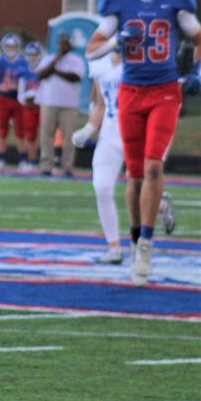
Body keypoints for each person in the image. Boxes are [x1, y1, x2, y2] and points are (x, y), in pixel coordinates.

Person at [85, 0, 200, 285]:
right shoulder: (117, 4)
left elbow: (198, 38)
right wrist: (117, 41)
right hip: (131, 94)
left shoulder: (177, 1)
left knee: (153, 166)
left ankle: (147, 244)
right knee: (134, 176)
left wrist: (196, 73)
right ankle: (137, 242)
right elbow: (92, 50)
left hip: (165, 91)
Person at [72, 52, 126, 263]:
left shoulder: (142, 59)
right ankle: (114, 247)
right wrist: (88, 129)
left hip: (136, 131)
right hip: (110, 132)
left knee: (140, 188)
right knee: (102, 186)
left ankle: (158, 202)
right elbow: (103, 104)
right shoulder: (100, 62)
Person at [35, 34, 86, 176]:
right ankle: (46, 165)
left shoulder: (77, 60)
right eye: (61, 43)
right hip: (49, 102)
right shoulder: (49, 59)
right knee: (46, 135)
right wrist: (56, 60)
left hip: (69, 104)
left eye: (66, 44)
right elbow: (41, 74)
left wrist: (56, 71)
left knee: (69, 136)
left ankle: (68, 166)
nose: (63, 46)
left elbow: (75, 77)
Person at [0, 34, 29, 170]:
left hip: (18, 99)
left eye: (13, 46)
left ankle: (23, 160)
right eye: (8, 46)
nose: (10, 48)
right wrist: (1, 87)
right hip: (3, 98)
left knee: (21, 131)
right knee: (2, 130)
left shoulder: (23, 61)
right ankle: (0, 159)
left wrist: (17, 87)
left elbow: (28, 82)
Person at [16, 42, 43, 172]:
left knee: (45, 135)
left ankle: (45, 161)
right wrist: (26, 101)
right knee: (30, 135)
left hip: (42, 107)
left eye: (35, 55)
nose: (32, 57)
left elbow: (46, 89)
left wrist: (38, 99)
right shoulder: (23, 71)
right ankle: (31, 161)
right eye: (30, 55)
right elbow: (20, 93)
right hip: (28, 108)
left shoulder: (44, 70)